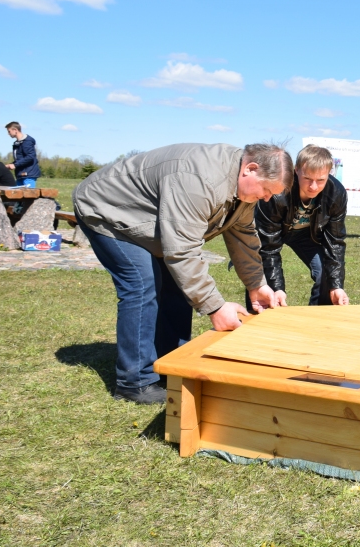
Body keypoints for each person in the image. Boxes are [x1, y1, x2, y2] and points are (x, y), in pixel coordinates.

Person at [73, 143, 293, 404]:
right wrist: (215, 308)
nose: (267, 198)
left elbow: (243, 235)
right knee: (142, 284)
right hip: (108, 211)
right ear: (251, 169)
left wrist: (256, 285)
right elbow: (182, 251)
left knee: (178, 288)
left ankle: (171, 364)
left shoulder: (241, 187)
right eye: (267, 191)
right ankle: (135, 382)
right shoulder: (198, 179)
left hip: (149, 221)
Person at [255, 144, 349, 306]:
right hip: (272, 233)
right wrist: (277, 287)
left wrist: (336, 286)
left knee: (326, 275)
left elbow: (335, 242)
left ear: (329, 173)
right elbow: (267, 247)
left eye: (320, 180)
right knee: (262, 278)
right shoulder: (276, 193)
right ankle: (259, 320)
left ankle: (317, 321)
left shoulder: (336, 193)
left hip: (306, 235)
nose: (313, 187)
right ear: (296, 170)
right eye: (307, 179)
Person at [5, 122, 41, 187]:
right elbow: (20, 159)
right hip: (20, 174)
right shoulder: (17, 143)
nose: (8, 134)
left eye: (9, 131)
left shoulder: (27, 141)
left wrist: (15, 165)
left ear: (15, 130)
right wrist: (11, 165)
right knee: (16, 195)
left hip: (28, 174)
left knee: (28, 195)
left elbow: (30, 156)